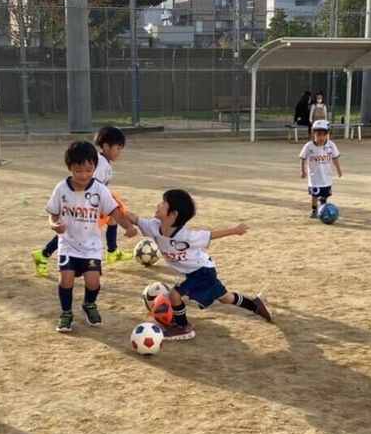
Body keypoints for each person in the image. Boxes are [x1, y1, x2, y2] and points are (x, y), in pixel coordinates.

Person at [118, 189, 272, 341]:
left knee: (174, 295)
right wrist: (117, 206)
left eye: (163, 203)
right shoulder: (153, 226)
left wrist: (235, 230)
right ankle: (254, 305)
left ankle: (183, 327)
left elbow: (212, 234)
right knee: (224, 297)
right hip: (195, 273)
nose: (158, 205)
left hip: (202, 271)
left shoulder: (186, 236)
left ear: (173, 214)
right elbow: (135, 218)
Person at [46, 140, 129, 333]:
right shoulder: (61, 189)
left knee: (93, 282)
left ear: (95, 167)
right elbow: (52, 212)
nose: (84, 176)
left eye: (89, 171)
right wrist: (53, 224)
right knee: (66, 279)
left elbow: (114, 211)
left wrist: (127, 226)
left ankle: (89, 305)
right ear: (70, 168)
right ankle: (66, 313)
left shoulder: (100, 189)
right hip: (67, 243)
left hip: (91, 245)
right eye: (78, 171)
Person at [32, 126, 132, 276]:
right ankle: (44, 253)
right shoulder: (100, 164)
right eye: (117, 147)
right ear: (105, 146)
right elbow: (90, 185)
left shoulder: (103, 162)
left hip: (92, 203)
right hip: (86, 204)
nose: (119, 152)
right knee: (72, 232)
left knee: (112, 218)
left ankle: (112, 251)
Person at [298, 119, 343, 218]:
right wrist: (303, 170)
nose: (320, 137)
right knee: (314, 194)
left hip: (326, 176)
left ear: (327, 134)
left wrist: (339, 170)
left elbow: (335, 158)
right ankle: (314, 209)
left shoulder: (331, 145)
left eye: (323, 134)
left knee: (326, 193)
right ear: (314, 134)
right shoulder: (309, 146)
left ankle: (323, 204)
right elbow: (303, 158)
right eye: (318, 134)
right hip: (314, 176)